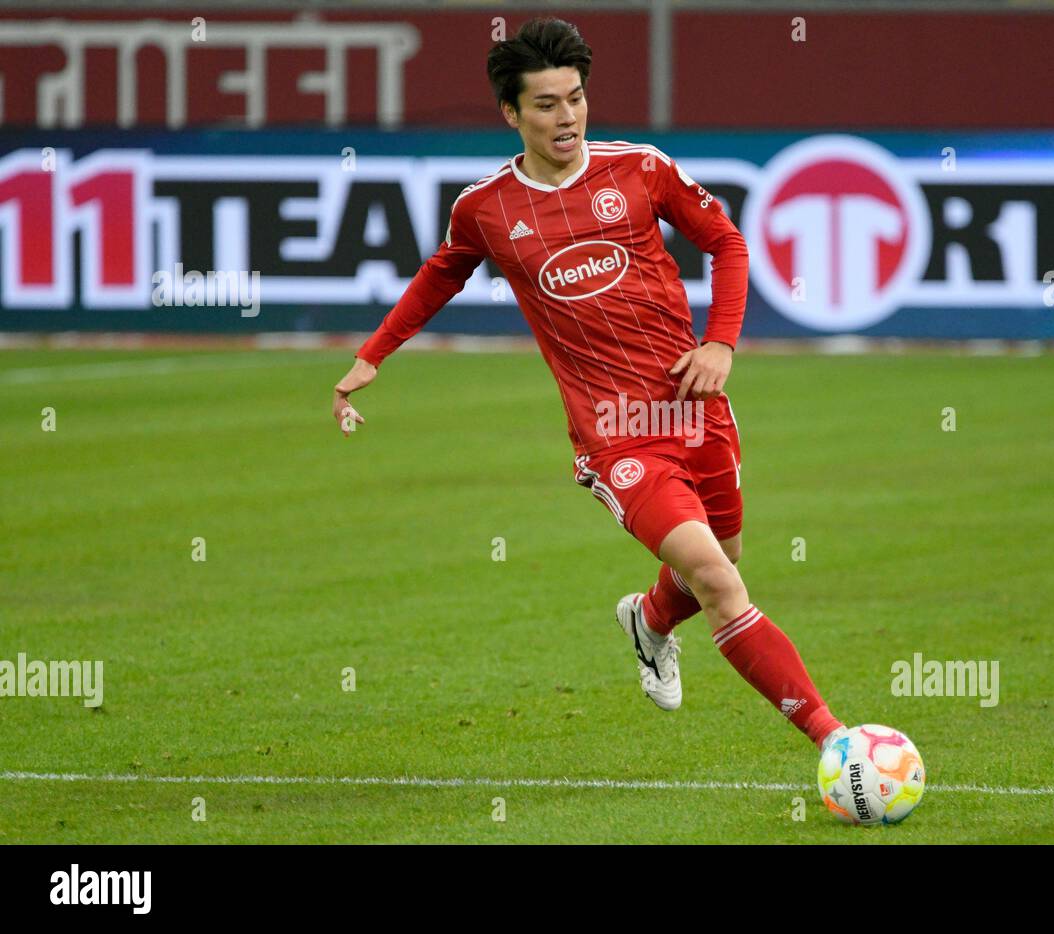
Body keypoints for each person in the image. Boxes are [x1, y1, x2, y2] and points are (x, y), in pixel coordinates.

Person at [332, 17, 845, 750]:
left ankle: (649, 618)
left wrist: (721, 342)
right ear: (511, 113)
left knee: (721, 561)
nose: (566, 116)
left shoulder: (639, 169)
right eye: (545, 104)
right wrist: (373, 355)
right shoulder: (486, 209)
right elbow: (440, 274)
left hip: (695, 412)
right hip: (615, 434)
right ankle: (838, 742)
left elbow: (726, 241)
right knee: (721, 582)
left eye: (574, 98)